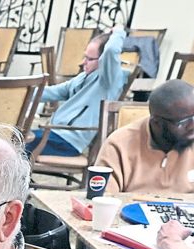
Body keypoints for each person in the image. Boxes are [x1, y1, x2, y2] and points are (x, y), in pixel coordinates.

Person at [95, 79, 194, 195]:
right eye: (183, 122)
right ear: (157, 122)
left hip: (190, 225)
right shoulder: (119, 145)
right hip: (131, 223)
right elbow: (103, 199)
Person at [26, 27, 127, 157]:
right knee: (13, 139)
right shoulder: (82, 77)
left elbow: (111, 50)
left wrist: (118, 31)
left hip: (68, 141)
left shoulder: (109, 80)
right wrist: (20, 92)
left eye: (90, 59)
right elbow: (51, 92)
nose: (83, 62)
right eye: (85, 57)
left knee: (15, 148)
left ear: (103, 60)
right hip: (54, 133)